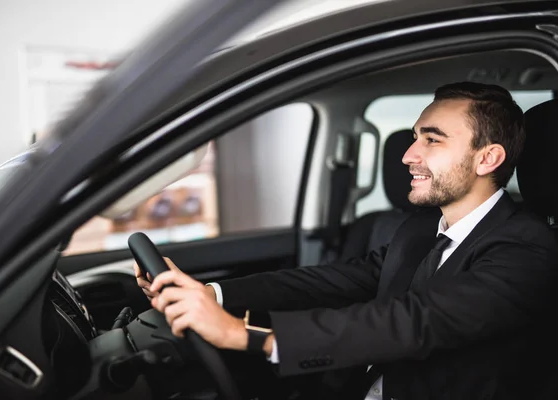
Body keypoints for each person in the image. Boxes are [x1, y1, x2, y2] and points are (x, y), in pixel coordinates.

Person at [135, 82, 558, 400]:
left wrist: (242, 335)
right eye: (414, 137)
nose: (409, 154)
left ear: (488, 158)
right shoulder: (418, 229)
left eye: (431, 139)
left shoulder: (528, 250)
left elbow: (412, 321)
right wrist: (212, 293)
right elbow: (331, 282)